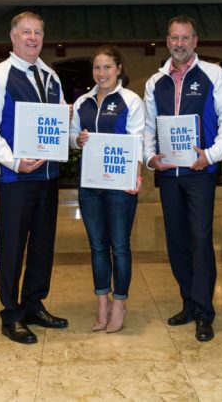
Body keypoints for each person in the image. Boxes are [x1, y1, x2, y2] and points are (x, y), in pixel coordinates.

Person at [0, 11, 69, 344]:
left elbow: (60, 124)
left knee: (43, 245)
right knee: (12, 247)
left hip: (48, 175)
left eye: (38, 33)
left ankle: (33, 304)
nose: (33, 38)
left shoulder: (50, 77)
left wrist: (74, 133)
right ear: (13, 37)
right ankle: (11, 314)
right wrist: (13, 162)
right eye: (26, 32)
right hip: (17, 179)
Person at [143, 15, 222, 342]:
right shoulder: (155, 82)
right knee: (177, 241)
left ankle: (204, 311)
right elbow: (147, 125)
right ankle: (188, 300)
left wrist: (210, 155)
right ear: (167, 42)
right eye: (174, 38)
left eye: (185, 38)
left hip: (200, 172)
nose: (179, 44)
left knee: (200, 239)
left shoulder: (214, 75)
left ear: (195, 41)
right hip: (169, 175)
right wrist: (150, 157)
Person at [70, 45, 145, 333]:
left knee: (120, 246)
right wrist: (79, 139)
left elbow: (136, 141)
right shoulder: (83, 102)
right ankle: (102, 302)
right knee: (98, 246)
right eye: (97, 68)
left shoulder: (131, 101)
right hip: (89, 184)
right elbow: (70, 137)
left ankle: (120, 302)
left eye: (107, 67)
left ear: (119, 69)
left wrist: (134, 177)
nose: (101, 73)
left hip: (119, 185)